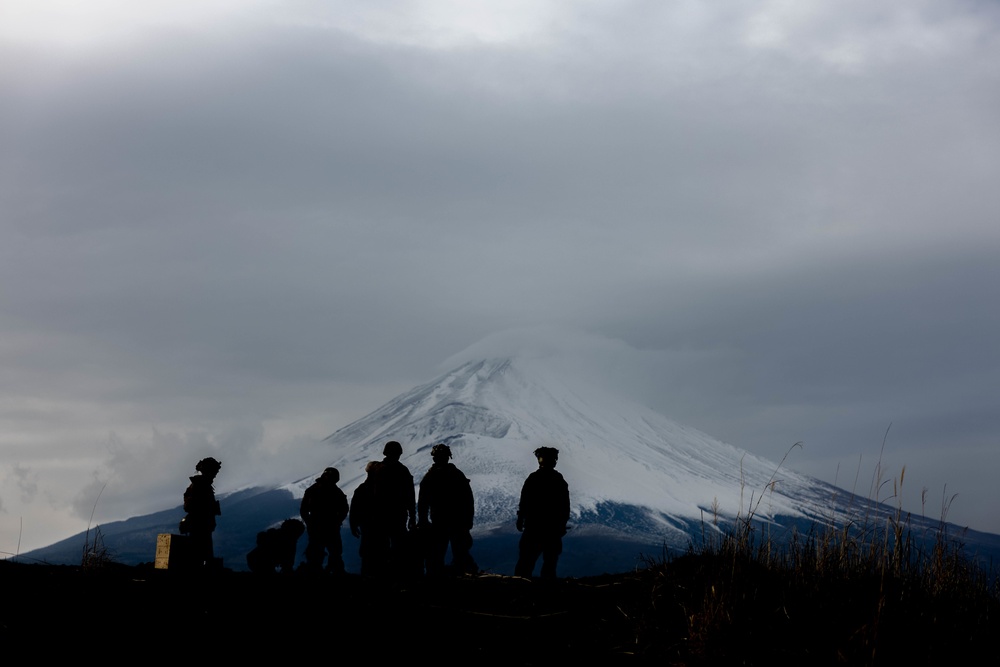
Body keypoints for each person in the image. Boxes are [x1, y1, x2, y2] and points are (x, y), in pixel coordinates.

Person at [417, 443, 477, 576]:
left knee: (438, 554)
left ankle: (437, 580)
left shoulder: (431, 477)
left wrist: (423, 521)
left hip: (442, 522)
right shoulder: (456, 475)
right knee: (457, 553)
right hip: (454, 522)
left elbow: (423, 502)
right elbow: (468, 500)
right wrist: (468, 521)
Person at [514, 447, 570, 579]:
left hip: (534, 528)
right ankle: (546, 591)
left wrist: (521, 519)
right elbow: (564, 506)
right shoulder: (558, 480)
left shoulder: (534, 479)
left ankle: (520, 589)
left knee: (526, 562)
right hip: (551, 529)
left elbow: (524, 502)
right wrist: (561, 525)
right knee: (549, 563)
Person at [375, 440, 417, 574]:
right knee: (397, 545)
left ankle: (384, 573)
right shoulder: (402, 470)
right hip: (397, 514)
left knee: (383, 546)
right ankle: (396, 573)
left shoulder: (378, 470)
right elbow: (410, 495)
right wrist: (412, 515)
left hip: (382, 514)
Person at [299, 467, 350, 574]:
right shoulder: (335, 491)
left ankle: (318, 571)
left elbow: (304, 510)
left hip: (321, 526)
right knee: (331, 552)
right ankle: (332, 571)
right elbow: (344, 509)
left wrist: (309, 523)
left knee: (320, 553)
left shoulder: (313, 490)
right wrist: (337, 521)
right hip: (328, 527)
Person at [181, 457, 222, 569]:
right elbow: (193, 506)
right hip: (200, 526)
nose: (215, 474)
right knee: (201, 555)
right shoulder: (200, 486)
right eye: (214, 471)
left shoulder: (201, 485)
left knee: (201, 555)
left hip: (201, 525)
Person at [350, 461, 388, 575]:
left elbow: (354, 509)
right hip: (374, 526)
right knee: (376, 553)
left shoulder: (363, 489)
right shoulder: (382, 489)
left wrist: (354, 524)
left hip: (371, 526)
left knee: (371, 553)